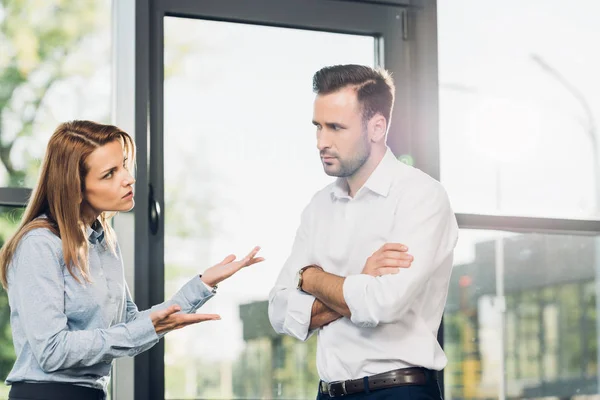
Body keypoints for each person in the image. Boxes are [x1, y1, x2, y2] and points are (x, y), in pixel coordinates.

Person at [0, 120, 264, 400]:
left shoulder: (105, 243)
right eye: (109, 174)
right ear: (74, 187)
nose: (128, 178)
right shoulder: (38, 245)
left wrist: (201, 284)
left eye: (124, 164)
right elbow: (51, 351)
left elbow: (129, 325)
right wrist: (142, 328)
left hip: (92, 394)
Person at [268, 64, 458, 399]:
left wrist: (311, 278)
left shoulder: (421, 196)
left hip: (398, 391)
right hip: (327, 393)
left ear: (376, 127)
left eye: (336, 128)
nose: (321, 142)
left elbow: (382, 305)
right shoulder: (318, 206)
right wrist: (359, 279)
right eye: (318, 127)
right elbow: (279, 311)